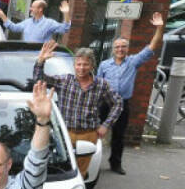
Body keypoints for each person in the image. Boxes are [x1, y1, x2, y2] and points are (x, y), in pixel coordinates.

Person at [33, 40, 121, 177]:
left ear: (92, 65)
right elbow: (39, 80)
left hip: (88, 134)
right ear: (74, 66)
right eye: (78, 64)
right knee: (61, 168)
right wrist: (41, 61)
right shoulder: (65, 80)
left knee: (81, 171)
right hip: (64, 133)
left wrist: (106, 125)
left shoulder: (102, 85)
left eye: (85, 64)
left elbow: (118, 103)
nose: (81, 68)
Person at [96, 12, 165, 175]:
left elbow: (152, 46)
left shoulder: (133, 62)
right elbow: (97, 85)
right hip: (105, 104)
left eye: (123, 47)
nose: (120, 49)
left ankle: (115, 164)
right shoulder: (104, 65)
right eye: (117, 47)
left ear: (127, 49)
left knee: (119, 136)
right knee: (95, 132)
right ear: (113, 49)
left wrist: (160, 28)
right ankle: (93, 162)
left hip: (122, 104)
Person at [0, 0, 71, 43]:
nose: (30, 9)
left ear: (40, 9)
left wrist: (66, 13)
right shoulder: (27, 22)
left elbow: (65, 28)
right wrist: (3, 16)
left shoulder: (49, 23)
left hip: (40, 58)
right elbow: (14, 28)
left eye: (33, 7)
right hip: (26, 55)